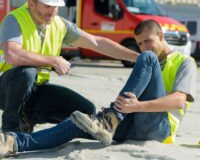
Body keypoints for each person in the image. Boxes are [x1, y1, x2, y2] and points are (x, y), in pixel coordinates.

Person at [0, 19, 197, 158]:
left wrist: (136, 106)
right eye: (139, 43)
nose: (143, 47)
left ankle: (111, 118)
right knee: (79, 121)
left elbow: (178, 101)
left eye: (148, 41)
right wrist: (129, 108)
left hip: (158, 128)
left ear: (161, 36)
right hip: (131, 124)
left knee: (146, 58)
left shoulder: (184, 62)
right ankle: (14, 142)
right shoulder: (147, 61)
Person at [0, 0, 138, 134]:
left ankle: (27, 118)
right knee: (26, 73)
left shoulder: (59, 24)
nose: (52, 11)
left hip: (36, 89)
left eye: (56, 6)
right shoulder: (14, 20)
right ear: (31, 3)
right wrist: (53, 60)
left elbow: (96, 42)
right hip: (7, 89)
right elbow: (13, 55)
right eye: (47, 6)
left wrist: (137, 57)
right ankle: (8, 130)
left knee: (86, 110)